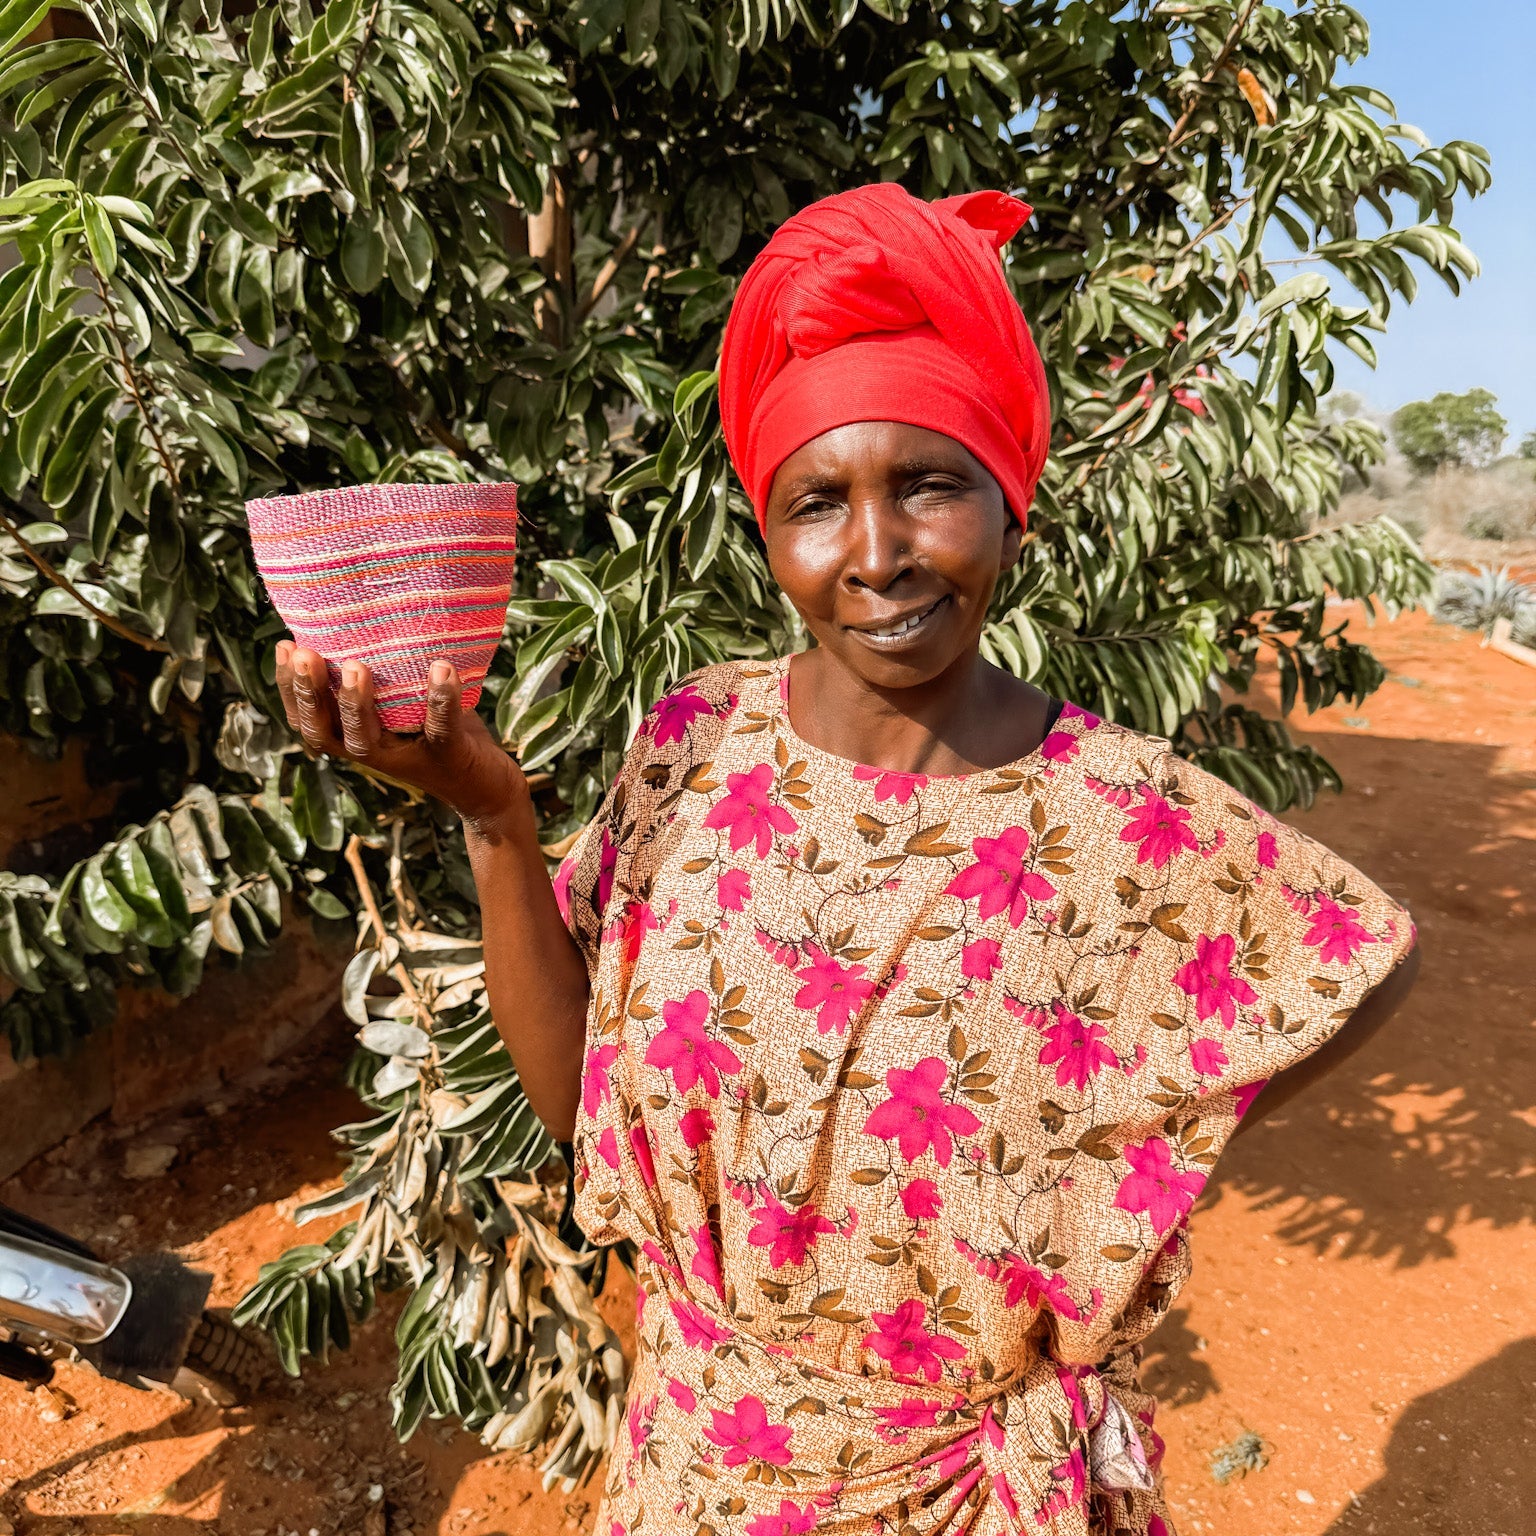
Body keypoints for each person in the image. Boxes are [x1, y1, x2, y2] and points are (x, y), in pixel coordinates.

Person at [274, 183, 1419, 1536]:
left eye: (929, 485)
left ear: (1013, 510)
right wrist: (495, 823)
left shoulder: (1123, 823)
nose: (876, 555)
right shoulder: (698, 745)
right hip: (691, 1464)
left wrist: (1129, 1136)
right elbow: (591, 1106)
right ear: (769, 536)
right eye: (819, 500)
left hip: (951, 1495)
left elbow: (1361, 955)